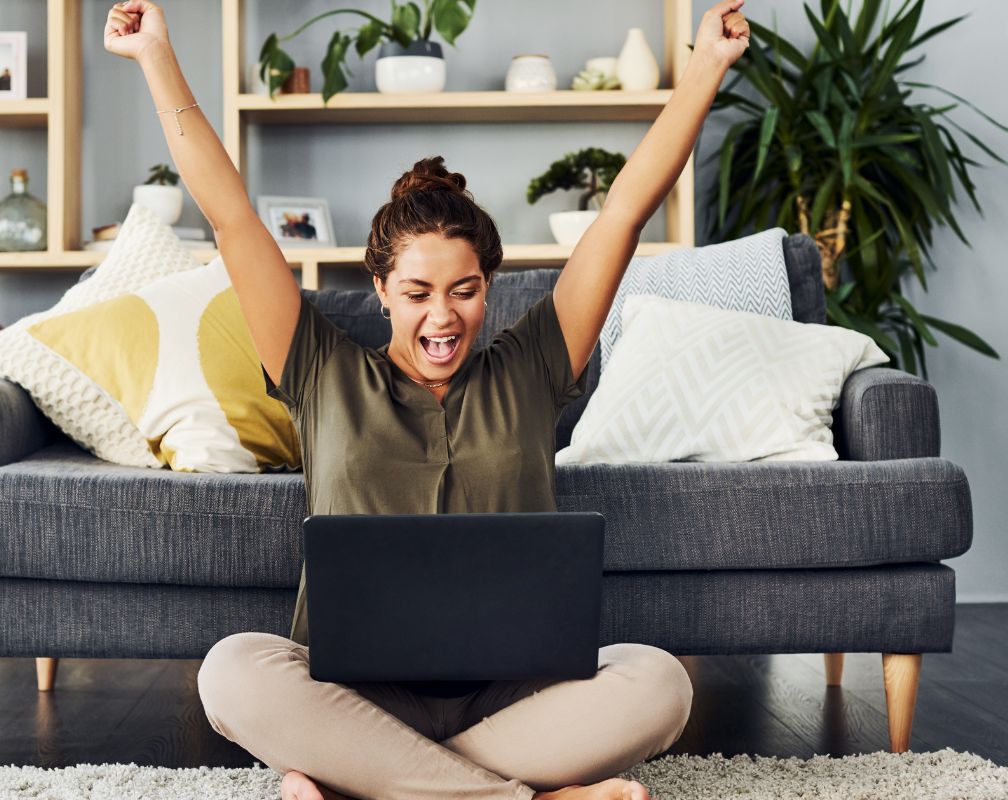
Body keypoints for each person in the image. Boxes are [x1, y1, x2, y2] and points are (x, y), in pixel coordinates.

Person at [103, 2, 751, 798]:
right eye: (416, 293)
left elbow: (622, 212)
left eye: (464, 291)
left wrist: (704, 68)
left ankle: (368, 782)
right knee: (233, 671)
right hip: (357, 697)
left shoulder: (533, 364)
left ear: (490, 287)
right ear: (379, 289)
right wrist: (156, 58)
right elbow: (231, 217)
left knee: (659, 684)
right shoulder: (320, 369)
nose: (442, 318)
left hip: (513, 699)